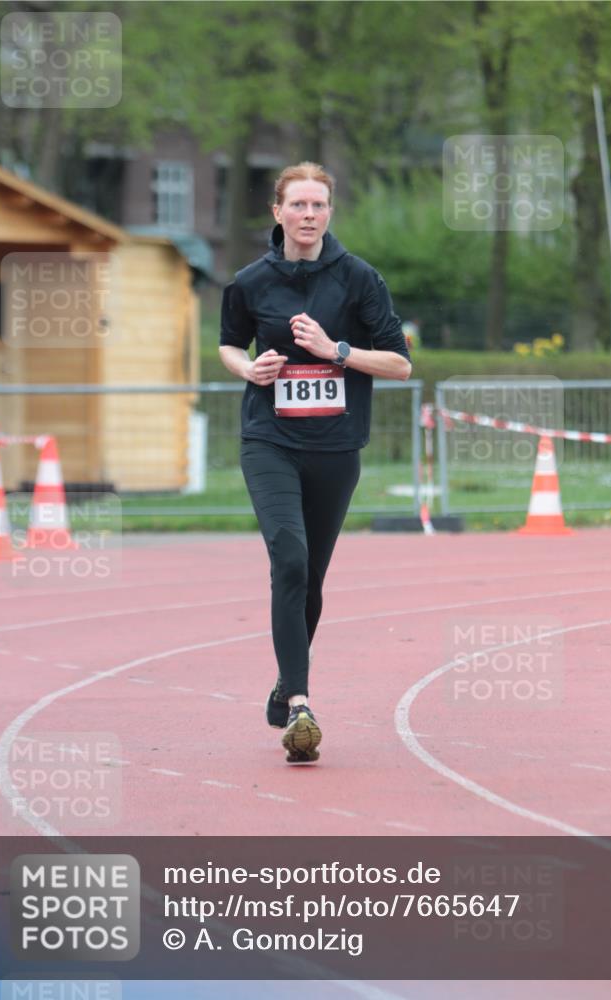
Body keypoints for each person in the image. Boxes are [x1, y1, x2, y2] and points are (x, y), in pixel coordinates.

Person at [219, 161, 411, 764]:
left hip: (334, 448)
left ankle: (283, 681)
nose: (308, 216)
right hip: (268, 440)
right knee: (290, 557)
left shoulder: (358, 279)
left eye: (318, 206)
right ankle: (300, 701)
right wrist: (248, 369)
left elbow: (401, 364)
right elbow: (228, 342)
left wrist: (339, 351)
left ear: (330, 212)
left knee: (312, 581)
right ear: (277, 213)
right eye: (297, 205)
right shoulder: (249, 282)